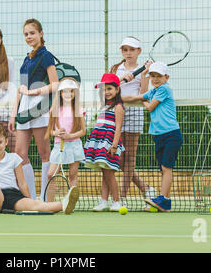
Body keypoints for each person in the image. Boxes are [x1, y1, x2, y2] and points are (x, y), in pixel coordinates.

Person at [0, 122, 79, 215]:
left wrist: (28, 200)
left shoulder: (14, 158)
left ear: (6, 142)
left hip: (13, 196)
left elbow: (22, 183)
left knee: (36, 205)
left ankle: (64, 204)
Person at [8, 18, 59, 200]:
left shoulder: (46, 56)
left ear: (41, 34)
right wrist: (13, 115)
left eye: (32, 33)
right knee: (20, 155)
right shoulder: (26, 58)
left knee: (44, 153)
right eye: (26, 34)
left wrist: (33, 92)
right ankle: (30, 197)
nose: (29, 37)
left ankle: (45, 198)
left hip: (39, 108)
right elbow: (21, 89)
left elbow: (55, 84)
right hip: (23, 111)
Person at [122, 62, 183, 212]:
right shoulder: (153, 91)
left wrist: (143, 99)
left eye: (159, 76)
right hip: (159, 135)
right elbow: (134, 97)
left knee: (166, 168)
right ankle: (164, 202)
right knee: (163, 168)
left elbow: (149, 107)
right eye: (152, 76)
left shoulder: (163, 89)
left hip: (171, 134)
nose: (155, 79)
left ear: (166, 77)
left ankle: (163, 199)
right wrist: (118, 97)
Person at [110, 36, 156, 209]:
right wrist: (121, 81)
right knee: (119, 158)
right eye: (125, 50)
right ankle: (145, 188)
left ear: (139, 52)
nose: (128, 53)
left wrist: (143, 74)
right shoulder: (115, 68)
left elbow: (144, 92)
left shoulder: (144, 70)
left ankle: (122, 197)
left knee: (130, 158)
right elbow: (109, 91)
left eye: (132, 49)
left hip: (135, 113)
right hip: (117, 112)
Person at [84, 73, 125, 212]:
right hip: (99, 140)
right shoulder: (104, 105)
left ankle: (117, 201)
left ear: (117, 90)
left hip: (109, 142)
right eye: (104, 89)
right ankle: (103, 201)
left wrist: (114, 145)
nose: (106, 92)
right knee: (105, 172)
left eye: (109, 89)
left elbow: (118, 127)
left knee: (109, 173)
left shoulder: (118, 106)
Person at [45, 79, 86, 197]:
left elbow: (83, 131)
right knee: (50, 174)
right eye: (65, 91)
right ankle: (50, 205)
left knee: (72, 175)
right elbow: (50, 131)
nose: (68, 94)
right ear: (60, 93)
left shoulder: (78, 109)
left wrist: (69, 136)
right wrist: (57, 132)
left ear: (75, 93)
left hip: (74, 145)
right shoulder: (54, 110)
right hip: (59, 146)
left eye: (71, 91)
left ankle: (70, 204)